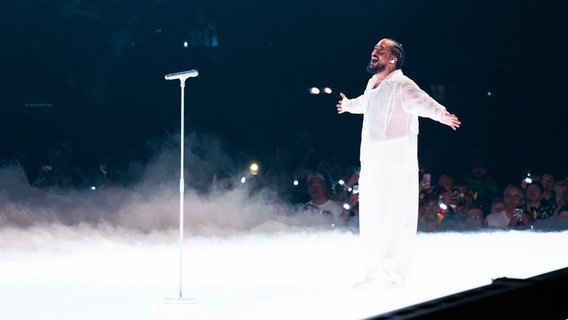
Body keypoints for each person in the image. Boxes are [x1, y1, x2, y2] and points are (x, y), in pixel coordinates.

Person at [336, 38, 461, 286]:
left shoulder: (402, 84)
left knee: (394, 216)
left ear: (393, 59)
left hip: (396, 160)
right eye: (374, 48)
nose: (374, 51)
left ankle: (393, 273)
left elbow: (423, 102)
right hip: (372, 159)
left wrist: (442, 114)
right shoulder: (373, 83)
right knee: (371, 216)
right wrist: (348, 105)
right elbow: (366, 103)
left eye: (381, 50)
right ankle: (373, 273)